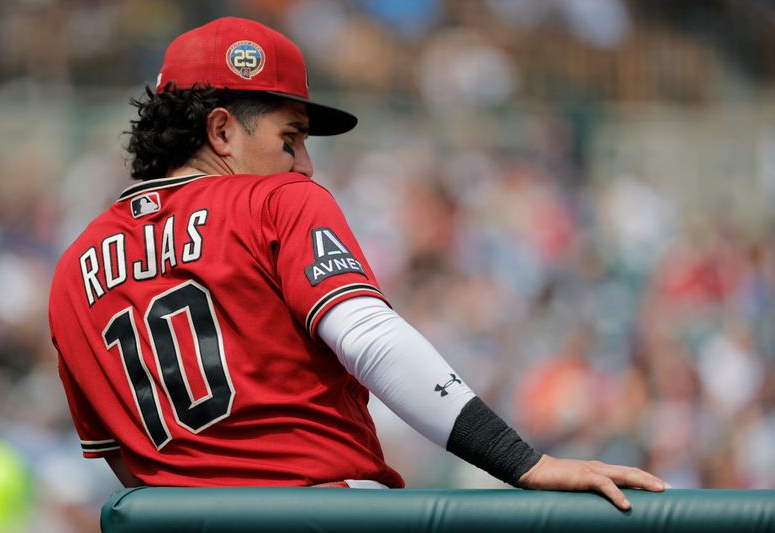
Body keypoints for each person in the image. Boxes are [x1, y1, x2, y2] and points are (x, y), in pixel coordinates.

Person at [48, 17, 667, 509]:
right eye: (289, 139)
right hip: (321, 513)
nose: (305, 164)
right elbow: (371, 339)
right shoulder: (276, 199)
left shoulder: (73, 268)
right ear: (222, 132)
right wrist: (527, 463)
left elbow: (123, 460)